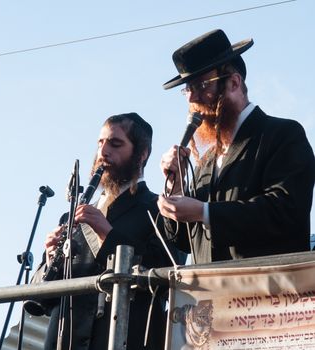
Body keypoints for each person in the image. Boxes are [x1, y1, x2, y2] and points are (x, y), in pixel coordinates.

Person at [157, 29, 315, 264]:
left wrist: (204, 211)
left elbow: (285, 211)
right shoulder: (207, 160)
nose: (191, 99)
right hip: (210, 297)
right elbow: (184, 242)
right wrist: (176, 188)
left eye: (201, 85)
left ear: (233, 82)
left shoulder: (282, 134)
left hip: (267, 294)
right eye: (188, 89)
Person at [31, 113, 175, 350]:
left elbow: (167, 273)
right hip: (66, 340)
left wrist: (107, 234)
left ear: (142, 154)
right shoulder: (71, 215)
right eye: (100, 143)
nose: (103, 153)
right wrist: (49, 260)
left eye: (115, 144)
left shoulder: (158, 208)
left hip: (130, 339)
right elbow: (42, 299)